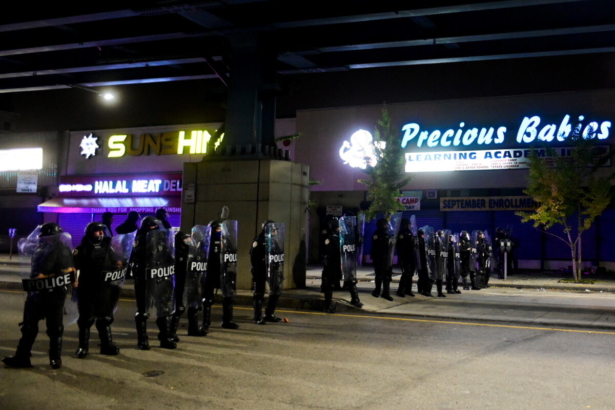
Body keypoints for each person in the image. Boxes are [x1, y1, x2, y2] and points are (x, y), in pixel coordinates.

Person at [2, 223, 75, 369]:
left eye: (47, 237)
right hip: (36, 294)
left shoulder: (62, 249)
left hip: (54, 294)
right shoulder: (40, 248)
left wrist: (47, 275)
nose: (43, 239)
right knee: (28, 328)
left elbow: (69, 271)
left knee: (55, 329)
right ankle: (22, 358)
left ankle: (55, 359)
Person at [73, 222, 123, 358]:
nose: (101, 234)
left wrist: (119, 264)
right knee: (86, 319)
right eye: (97, 231)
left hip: (105, 286)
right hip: (87, 287)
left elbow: (117, 261)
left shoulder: (109, 246)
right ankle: (83, 347)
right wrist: (75, 281)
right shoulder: (82, 248)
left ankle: (107, 345)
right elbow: (74, 267)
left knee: (105, 318)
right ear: (91, 232)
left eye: (102, 231)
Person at [130, 216, 176, 350]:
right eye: (150, 227)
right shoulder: (139, 239)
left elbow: (169, 257)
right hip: (144, 279)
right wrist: (151, 241)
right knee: (143, 311)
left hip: (160, 277)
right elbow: (138, 254)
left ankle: (165, 337)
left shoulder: (164, 240)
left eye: (155, 227)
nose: (153, 229)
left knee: (164, 309)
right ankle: (143, 339)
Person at [202, 221, 239, 330]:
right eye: (217, 229)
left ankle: (227, 321)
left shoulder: (226, 241)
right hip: (209, 272)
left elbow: (233, 251)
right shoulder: (206, 242)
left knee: (228, 296)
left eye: (220, 229)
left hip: (223, 272)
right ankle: (205, 322)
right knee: (207, 298)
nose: (219, 232)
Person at [171, 231, 207, 339]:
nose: (188, 241)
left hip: (192, 282)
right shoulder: (175, 253)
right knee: (179, 308)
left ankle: (193, 329)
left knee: (194, 306)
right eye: (185, 239)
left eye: (188, 239)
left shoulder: (192, 251)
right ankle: (172, 332)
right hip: (180, 283)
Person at [250, 221, 285, 324]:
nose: (275, 232)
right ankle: (257, 317)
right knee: (259, 293)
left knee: (276, 291)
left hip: (273, 270)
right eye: (274, 230)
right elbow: (254, 258)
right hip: (260, 271)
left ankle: (269, 314)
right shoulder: (259, 241)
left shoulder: (273, 241)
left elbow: (278, 253)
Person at [370, 218, 393, 301]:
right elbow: (375, 248)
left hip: (387, 258)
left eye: (386, 225)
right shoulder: (377, 235)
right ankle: (377, 291)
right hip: (379, 258)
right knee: (379, 276)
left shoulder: (388, 235)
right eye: (384, 225)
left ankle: (386, 293)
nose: (386, 226)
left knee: (387, 277)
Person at [396, 218, 416, 297]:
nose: (410, 225)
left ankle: (408, 290)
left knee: (410, 273)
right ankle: (400, 290)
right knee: (406, 272)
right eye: (409, 224)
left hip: (411, 255)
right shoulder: (402, 233)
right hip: (405, 256)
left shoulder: (410, 232)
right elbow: (401, 245)